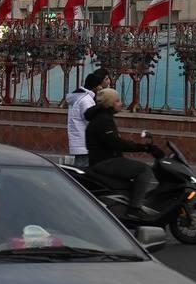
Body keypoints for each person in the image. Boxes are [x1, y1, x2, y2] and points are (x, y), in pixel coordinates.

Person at [84, 88, 158, 220]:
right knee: (144, 170)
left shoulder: (103, 117)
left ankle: (127, 204)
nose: (121, 103)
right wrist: (144, 148)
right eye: (117, 101)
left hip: (103, 160)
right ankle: (135, 208)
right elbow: (115, 143)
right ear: (110, 103)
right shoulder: (103, 120)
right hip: (105, 161)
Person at [65, 68, 110, 168]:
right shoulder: (86, 100)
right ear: (96, 86)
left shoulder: (79, 97)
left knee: (81, 167)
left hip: (80, 141)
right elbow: (90, 120)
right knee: (82, 169)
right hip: (84, 142)